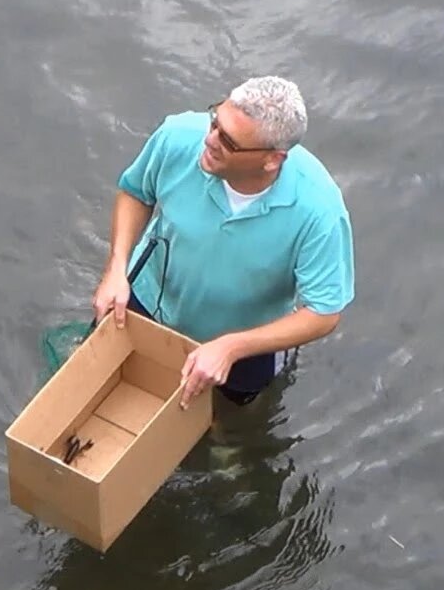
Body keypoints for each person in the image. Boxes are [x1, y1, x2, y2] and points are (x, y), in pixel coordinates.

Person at [92, 76, 355, 407]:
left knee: (232, 424)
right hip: (148, 298)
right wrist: (116, 269)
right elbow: (135, 192)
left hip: (247, 347)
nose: (210, 140)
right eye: (215, 120)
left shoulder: (320, 212)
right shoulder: (178, 136)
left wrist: (232, 347)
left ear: (272, 159)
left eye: (228, 142)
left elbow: (324, 311)